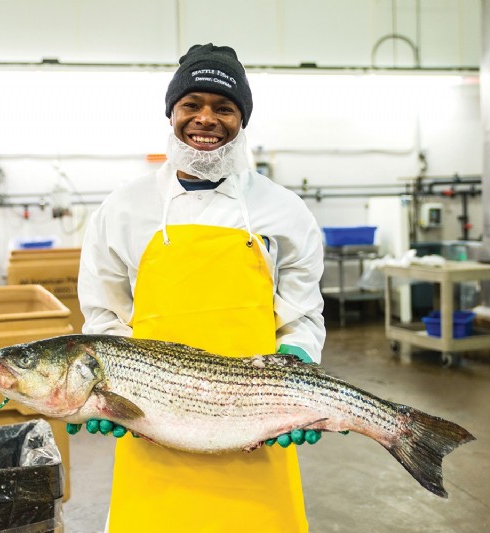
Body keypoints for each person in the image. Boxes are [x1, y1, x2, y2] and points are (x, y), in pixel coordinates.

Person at [76, 43, 326, 533]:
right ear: (172, 113)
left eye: (224, 108)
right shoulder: (123, 209)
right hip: (153, 424)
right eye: (192, 104)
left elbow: (301, 313)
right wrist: (112, 391)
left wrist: (298, 358)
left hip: (257, 422)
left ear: (241, 120)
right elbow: (104, 316)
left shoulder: (284, 211)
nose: (206, 119)